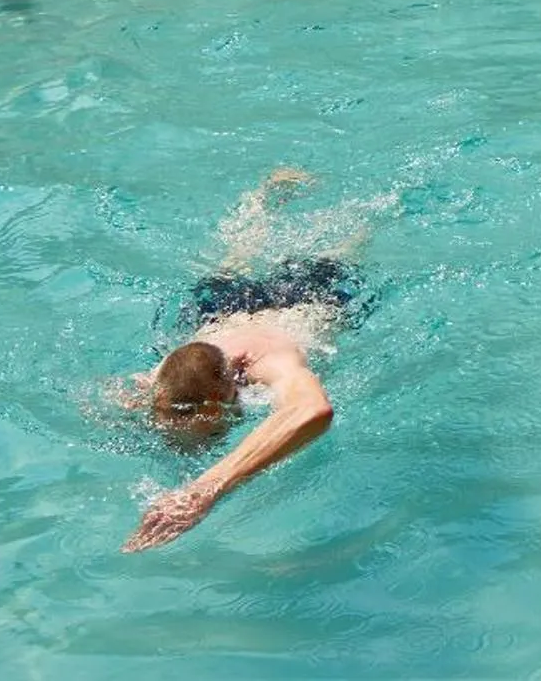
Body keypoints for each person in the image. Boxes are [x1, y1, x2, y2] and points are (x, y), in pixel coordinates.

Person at [121, 171, 366, 553]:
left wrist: (205, 489)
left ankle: (370, 212)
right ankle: (266, 198)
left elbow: (313, 410)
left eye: (212, 433)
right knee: (230, 266)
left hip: (301, 304)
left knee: (341, 252)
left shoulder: (271, 362)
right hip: (221, 313)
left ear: (225, 397)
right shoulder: (164, 375)